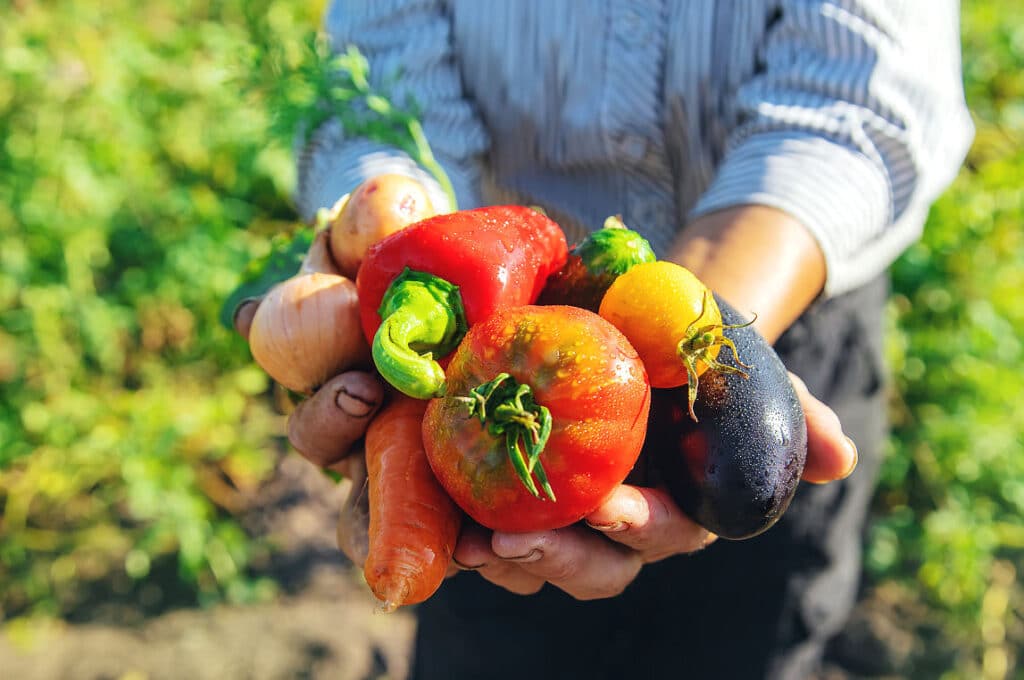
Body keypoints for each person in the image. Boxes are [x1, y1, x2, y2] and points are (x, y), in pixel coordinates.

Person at [234, 1, 974, 678]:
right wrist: (386, 226)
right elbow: (386, 75)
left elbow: (849, 103)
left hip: (768, 313)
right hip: (480, 364)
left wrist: (699, 342)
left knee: (756, 635)